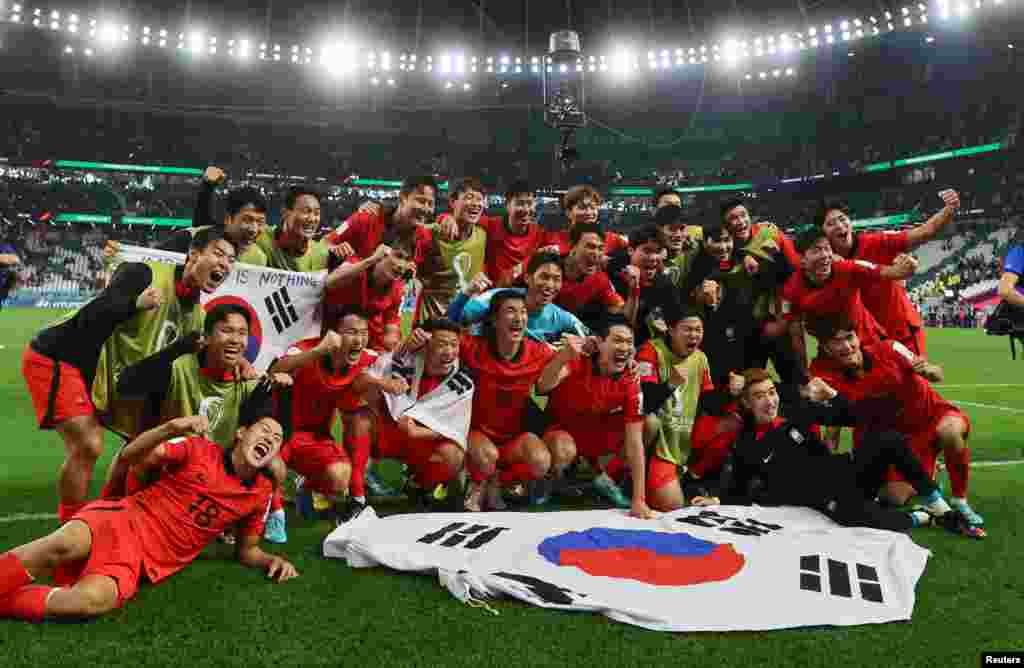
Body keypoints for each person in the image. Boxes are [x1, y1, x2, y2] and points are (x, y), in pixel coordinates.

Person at [0, 403, 298, 623]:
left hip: (142, 559)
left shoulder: (259, 494)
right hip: (122, 518)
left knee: (88, 603)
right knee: (59, 545)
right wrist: (170, 428)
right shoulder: (198, 449)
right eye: (265, 430)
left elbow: (248, 550)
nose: (270, 439)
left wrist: (272, 560)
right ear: (241, 433)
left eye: (277, 438)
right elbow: (131, 457)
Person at [22, 228, 235, 522]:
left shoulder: (196, 318)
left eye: (231, 260)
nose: (225, 264)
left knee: (143, 442)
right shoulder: (145, 273)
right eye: (219, 254)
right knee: (89, 444)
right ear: (194, 254)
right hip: (62, 355)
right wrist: (134, 304)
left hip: (110, 376)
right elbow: (94, 315)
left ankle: (106, 514)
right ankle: (69, 530)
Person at [696, 369, 975, 536]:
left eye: (771, 392)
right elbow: (737, 486)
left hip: (846, 472)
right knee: (858, 520)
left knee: (888, 440)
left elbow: (852, 415)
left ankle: (941, 506)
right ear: (746, 402)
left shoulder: (797, 413)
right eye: (759, 396)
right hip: (823, 496)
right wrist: (717, 500)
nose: (770, 401)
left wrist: (833, 396)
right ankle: (926, 516)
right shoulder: (746, 443)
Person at [111, 303, 293, 541]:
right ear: (206, 337)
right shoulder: (178, 367)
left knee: (276, 466)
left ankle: (258, 517)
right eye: (226, 331)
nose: (235, 339)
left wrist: (283, 391)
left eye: (242, 333)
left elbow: (274, 433)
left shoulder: (250, 384)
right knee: (132, 454)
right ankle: (125, 514)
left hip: (217, 471)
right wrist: (178, 348)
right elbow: (125, 384)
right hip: (173, 464)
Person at [805, 316, 984, 534]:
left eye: (849, 338)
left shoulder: (891, 348)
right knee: (894, 497)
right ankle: (930, 472)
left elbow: (937, 373)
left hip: (930, 415)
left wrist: (928, 370)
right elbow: (835, 421)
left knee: (950, 431)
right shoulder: (828, 377)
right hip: (894, 436)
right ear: (826, 347)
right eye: (837, 341)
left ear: (858, 337)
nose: (846, 346)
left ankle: (959, 499)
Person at [268, 307, 408, 523]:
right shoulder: (306, 350)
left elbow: (398, 358)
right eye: (351, 332)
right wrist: (318, 351)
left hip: (316, 437)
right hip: (279, 433)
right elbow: (275, 371)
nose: (359, 340)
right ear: (332, 334)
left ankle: (311, 486)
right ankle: (269, 505)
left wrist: (386, 382)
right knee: (268, 480)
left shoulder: (366, 358)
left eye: (363, 333)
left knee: (341, 474)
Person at [537, 316, 656, 519]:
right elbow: (543, 386)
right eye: (618, 340)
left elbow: (635, 442)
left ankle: (606, 476)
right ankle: (552, 481)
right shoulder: (577, 359)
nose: (625, 347)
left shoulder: (631, 379)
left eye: (629, 342)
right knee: (563, 449)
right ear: (599, 342)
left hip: (597, 438)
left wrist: (639, 500)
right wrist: (563, 357)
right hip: (562, 432)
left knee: (650, 424)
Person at [819, 190, 960, 355]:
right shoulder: (823, 263)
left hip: (901, 333)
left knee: (914, 379)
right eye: (831, 223)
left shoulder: (877, 242)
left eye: (842, 219)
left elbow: (924, 232)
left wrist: (950, 208)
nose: (840, 226)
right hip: (864, 340)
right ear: (823, 233)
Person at [458, 290, 557, 511]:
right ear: (494, 319)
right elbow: (442, 329)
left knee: (541, 461)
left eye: (523, 312)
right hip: (476, 433)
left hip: (513, 439)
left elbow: (577, 358)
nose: (519, 318)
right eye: (510, 311)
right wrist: (464, 296)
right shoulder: (474, 348)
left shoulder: (538, 351)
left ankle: (498, 480)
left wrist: (629, 363)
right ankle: (475, 481)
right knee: (487, 456)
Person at [366, 318, 472, 506]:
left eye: (453, 345)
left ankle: (419, 483)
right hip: (390, 433)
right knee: (361, 418)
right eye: (441, 344)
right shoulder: (406, 359)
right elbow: (370, 373)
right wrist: (405, 346)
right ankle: (359, 481)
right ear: (425, 345)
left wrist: (417, 432)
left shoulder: (461, 382)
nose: (449, 352)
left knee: (453, 454)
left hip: (422, 440)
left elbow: (456, 429)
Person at [634, 305, 723, 512]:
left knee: (728, 424)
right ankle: (630, 474)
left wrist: (734, 391)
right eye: (687, 329)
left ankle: (694, 477)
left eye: (698, 330)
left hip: (683, 440)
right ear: (671, 330)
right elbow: (645, 402)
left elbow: (709, 404)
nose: (693, 335)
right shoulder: (651, 350)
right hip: (659, 441)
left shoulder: (701, 358)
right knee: (650, 422)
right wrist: (671, 384)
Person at [782, 225, 918, 355]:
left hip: (872, 347)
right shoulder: (791, 291)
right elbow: (795, 332)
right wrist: (804, 372)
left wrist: (906, 265)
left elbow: (890, 272)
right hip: (835, 356)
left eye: (827, 248)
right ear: (801, 260)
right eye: (816, 250)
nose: (825, 255)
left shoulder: (847, 269)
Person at [448, 252, 588, 344]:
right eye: (544, 277)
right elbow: (449, 322)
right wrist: (466, 293)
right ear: (527, 278)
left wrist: (581, 342)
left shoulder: (561, 317)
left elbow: (592, 339)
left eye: (557, 279)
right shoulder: (496, 299)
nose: (550, 285)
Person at [412, 177, 489, 325]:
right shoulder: (430, 234)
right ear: (453, 202)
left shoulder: (483, 235)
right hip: (432, 322)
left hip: (464, 322)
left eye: (480, 199)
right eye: (469, 197)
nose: (475, 203)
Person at [157, 166, 269, 266]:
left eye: (260, 222)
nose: (254, 229)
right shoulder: (189, 239)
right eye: (247, 220)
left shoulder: (259, 259)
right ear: (228, 219)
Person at [324, 243, 414, 353]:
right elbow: (329, 282)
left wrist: (393, 342)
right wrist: (372, 259)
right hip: (330, 336)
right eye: (398, 256)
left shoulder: (398, 289)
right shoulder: (356, 266)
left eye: (407, 260)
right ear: (382, 251)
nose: (401, 265)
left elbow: (391, 327)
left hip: (365, 344)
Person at [328, 175, 437, 261]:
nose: (426, 208)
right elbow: (325, 242)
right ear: (403, 197)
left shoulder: (424, 237)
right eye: (421, 201)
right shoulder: (365, 218)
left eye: (431, 203)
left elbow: (424, 276)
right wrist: (334, 249)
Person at [609, 225, 678, 348]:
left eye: (658, 252)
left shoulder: (665, 284)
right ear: (631, 250)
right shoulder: (613, 278)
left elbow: (675, 320)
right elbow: (620, 327)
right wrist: (633, 289)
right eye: (647, 251)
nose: (653, 258)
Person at [478, 180, 554, 287]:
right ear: (507, 205)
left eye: (530, 203)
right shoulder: (491, 224)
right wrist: (446, 218)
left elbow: (565, 243)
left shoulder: (539, 233)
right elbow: (461, 218)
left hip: (525, 293)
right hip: (492, 293)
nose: (526, 209)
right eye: (520, 203)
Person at [553, 223, 625, 331]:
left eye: (600, 248)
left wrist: (634, 292)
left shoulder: (600, 280)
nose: (596, 253)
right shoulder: (547, 264)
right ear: (573, 245)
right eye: (590, 246)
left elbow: (620, 313)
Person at [254, 187, 329, 271]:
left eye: (316, 213)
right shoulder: (261, 237)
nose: (312, 219)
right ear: (285, 213)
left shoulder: (320, 254)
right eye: (305, 211)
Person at [547, 185, 629, 257]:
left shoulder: (614, 240)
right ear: (568, 212)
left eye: (593, 208)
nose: (589, 213)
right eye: (582, 208)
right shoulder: (554, 239)